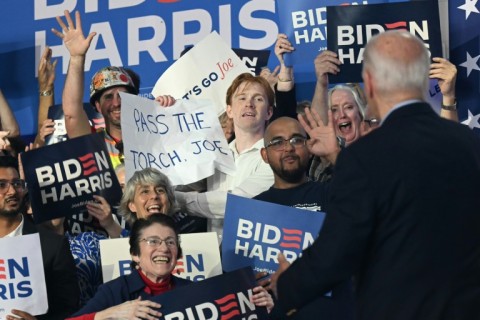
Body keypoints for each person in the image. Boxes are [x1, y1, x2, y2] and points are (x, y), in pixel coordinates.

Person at [270, 30, 480, 320]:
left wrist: (288, 284)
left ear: (368, 84)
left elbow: (337, 253)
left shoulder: (363, 157)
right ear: (423, 80)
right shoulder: (468, 143)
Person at [68, 214, 273, 319]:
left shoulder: (193, 290)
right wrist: (109, 315)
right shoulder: (114, 292)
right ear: (135, 254)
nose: (164, 248)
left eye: (170, 242)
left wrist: (262, 309)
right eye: (153, 241)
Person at [255, 116, 354, 320]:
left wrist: (335, 154)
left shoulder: (331, 194)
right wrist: (249, 282)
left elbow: (368, 197)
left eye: (296, 140)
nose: (288, 148)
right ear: (264, 155)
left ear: (309, 148)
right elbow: (239, 278)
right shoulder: (253, 208)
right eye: (278, 142)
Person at [52, 10, 174, 169]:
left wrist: (170, 115)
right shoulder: (93, 143)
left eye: (123, 96)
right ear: (97, 106)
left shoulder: (155, 135)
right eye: (108, 97)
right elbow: (71, 114)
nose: (116, 103)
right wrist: (76, 58)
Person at [174, 73, 275, 241]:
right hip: (214, 257)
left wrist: (175, 200)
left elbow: (235, 202)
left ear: (269, 112)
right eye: (242, 98)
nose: (249, 104)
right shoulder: (213, 154)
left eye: (258, 99)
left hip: (253, 258)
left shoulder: (273, 157)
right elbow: (181, 183)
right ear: (229, 110)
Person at [0, 156, 79, 320]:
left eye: (17, 184)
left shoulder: (52, 246)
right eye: (2, 185)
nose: (12, 191)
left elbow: (69, 310)